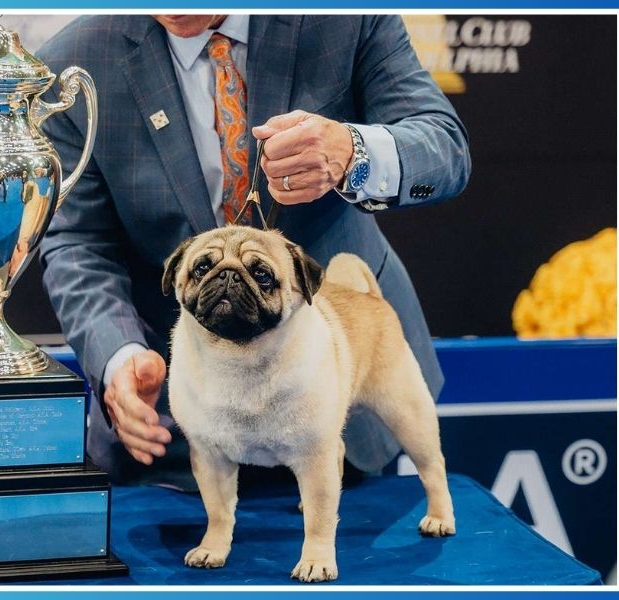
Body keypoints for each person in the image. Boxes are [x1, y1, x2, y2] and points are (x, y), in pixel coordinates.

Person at [36, 15, 470, 489]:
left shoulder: (344, 17)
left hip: (340, 397)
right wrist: (118, 356)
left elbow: (444, 149)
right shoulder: (75, 64)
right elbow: (78, 244)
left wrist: (353, 153)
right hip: (180, 415)